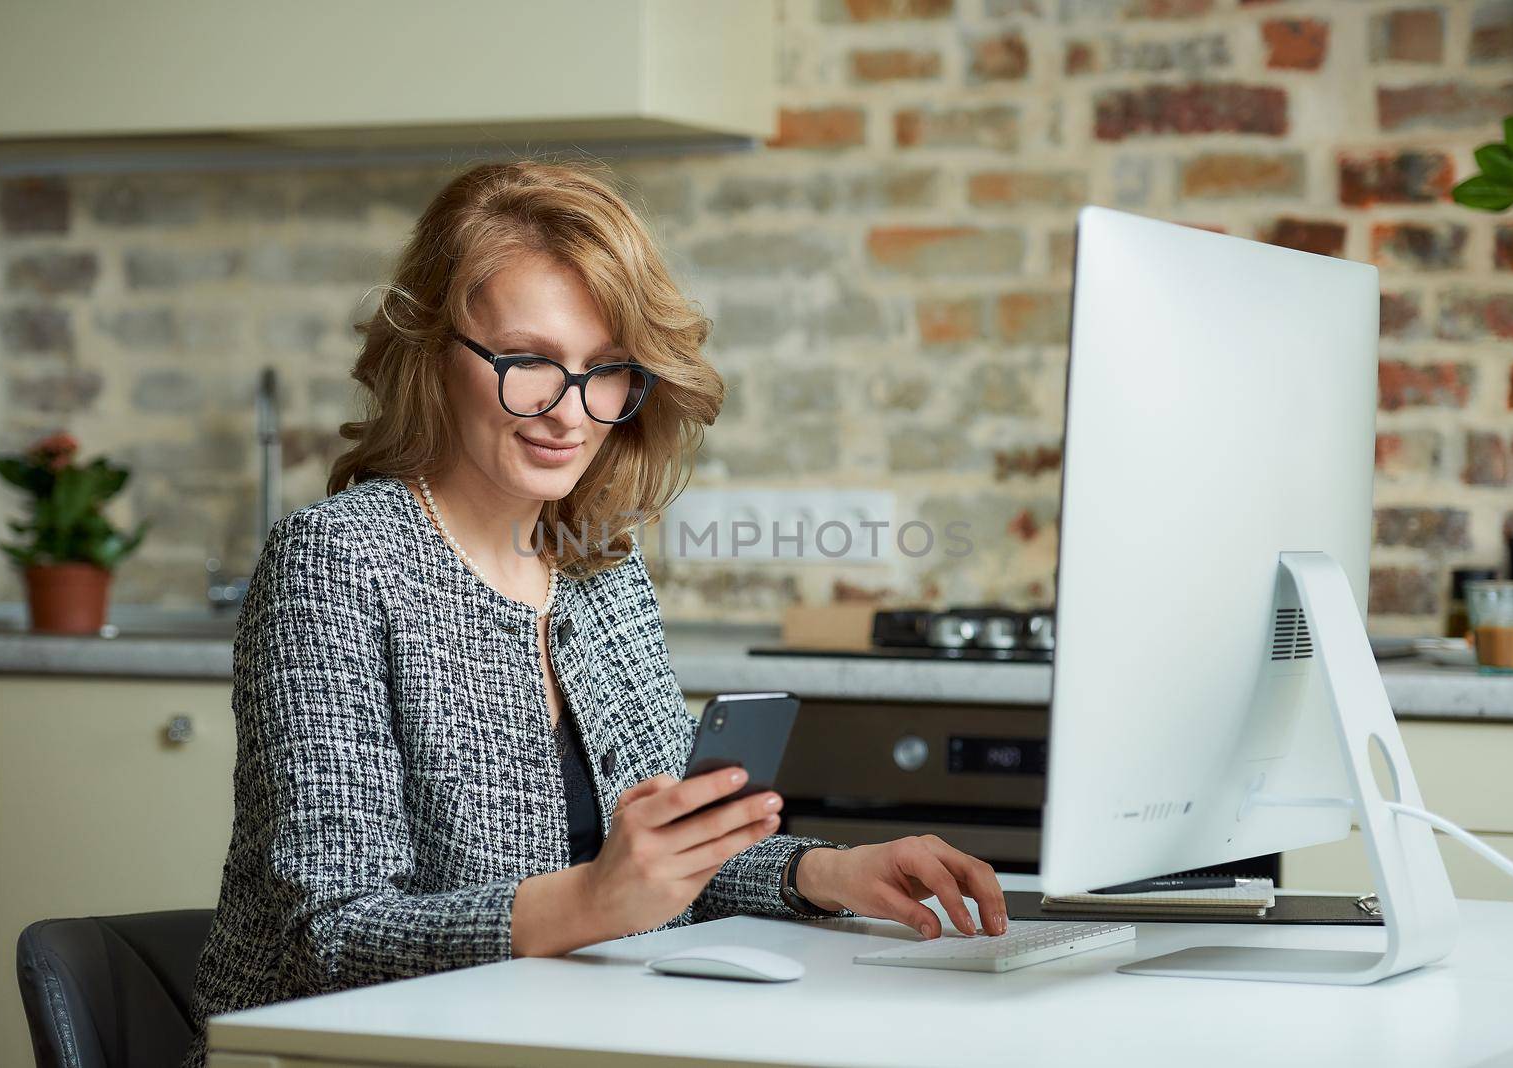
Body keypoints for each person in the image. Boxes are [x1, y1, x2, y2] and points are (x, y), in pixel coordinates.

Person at [179, 160, 1007, 1068]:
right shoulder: (339, 561)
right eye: (529, 362)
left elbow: (663, 873)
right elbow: (329, 936)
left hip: (553, 1038)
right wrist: (595, 902)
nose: (570, 413)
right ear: (430, 351)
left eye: (605, 370)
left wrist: (829, 874)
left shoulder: (598, 567)